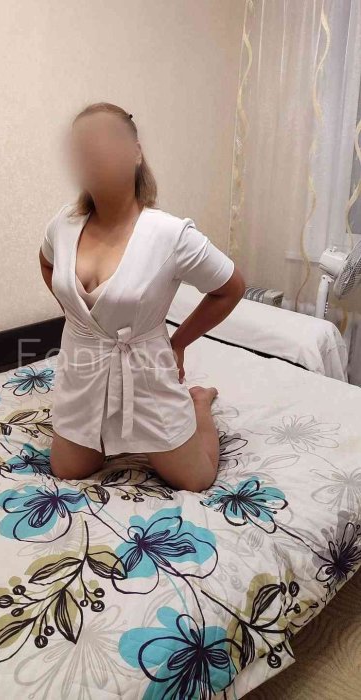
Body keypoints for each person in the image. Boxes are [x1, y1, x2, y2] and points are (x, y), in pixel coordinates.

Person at [39, 102, 245, 492]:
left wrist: (178, 343)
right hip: (81, 369)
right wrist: (78, 317)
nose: (93, 153)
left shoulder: (170, 234)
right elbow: (47, 263)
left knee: (197, 479)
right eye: (82, 147)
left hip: (145, 370)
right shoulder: (63, 224)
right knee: (68, 470)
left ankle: (198, 402)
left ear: (135, 152)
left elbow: (230, 288)